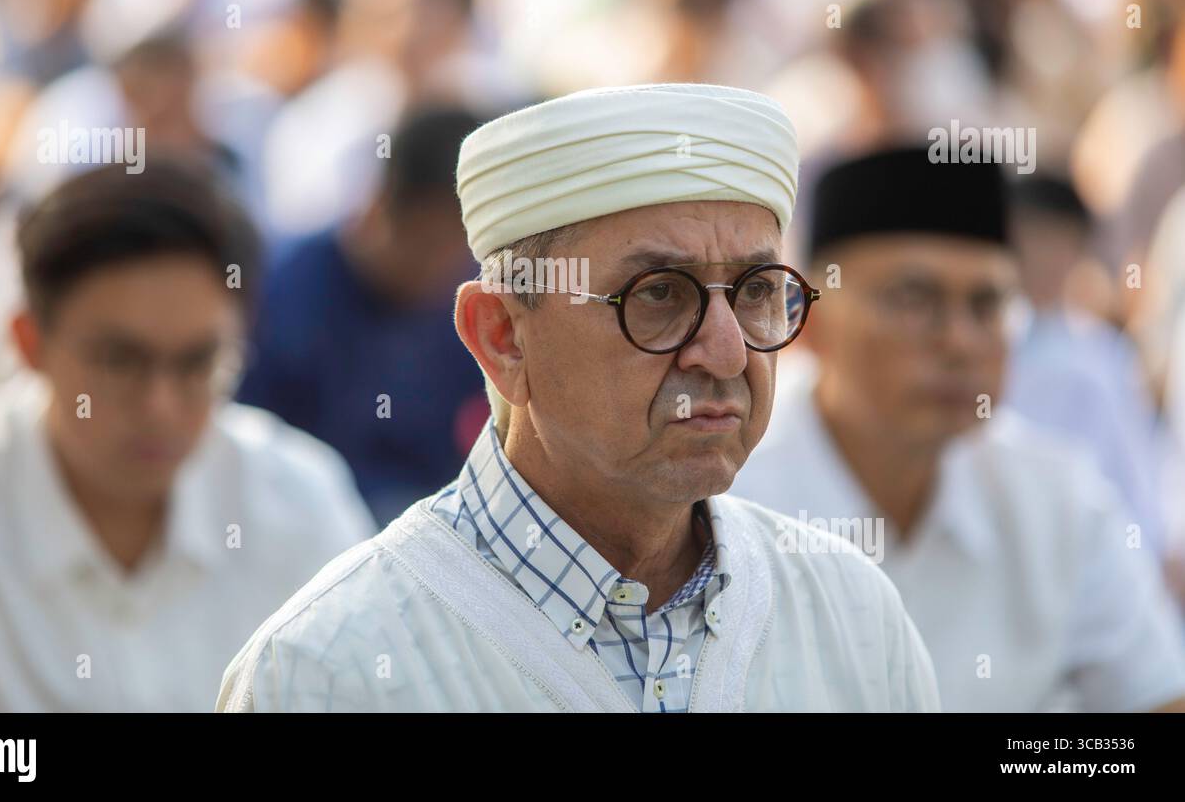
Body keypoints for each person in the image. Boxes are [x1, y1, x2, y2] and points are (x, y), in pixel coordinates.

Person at [217, 83, 940, 712]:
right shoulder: (329, 671)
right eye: (658, 295)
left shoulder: (850, 615)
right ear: (502, 335)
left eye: (755, 292)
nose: (726, 353)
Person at [0, 162, 376, 711]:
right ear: (29, 343)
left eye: (197, 362)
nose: (160, 407)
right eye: (119, 361)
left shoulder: (301, 504)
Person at [730, 146, 1185, 712]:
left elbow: (1157, 697)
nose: (960, 341)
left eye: (987, 304)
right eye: (914, 299)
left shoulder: (1055, 501)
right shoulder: (727, 505)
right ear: (806, 319)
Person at [237, 106, 487, 525]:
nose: (443, 266)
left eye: (462, 249)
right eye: (429, 243)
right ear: (379, 207)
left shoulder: (465, 306)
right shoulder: (281, 296)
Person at [1003, 172, 1162, 552]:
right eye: (1038, 238)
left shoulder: (1105, 351)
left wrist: (1153, 548)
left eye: (1064, 241)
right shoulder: (985, 345)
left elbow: (1133, 469)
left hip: (1096, 547)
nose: (1051, 257)